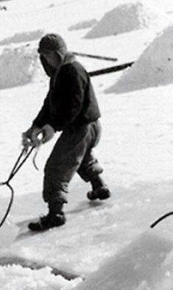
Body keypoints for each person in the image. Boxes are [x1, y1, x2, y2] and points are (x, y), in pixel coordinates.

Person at [22, 33, 110, 231]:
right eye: (43, 57)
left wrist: (54, 126)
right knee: (81, 157)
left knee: (57, 168)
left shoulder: (71, 71)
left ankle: (56, 214)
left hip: (82, 127)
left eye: (49, 55)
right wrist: (36, 125)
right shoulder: (61, 73)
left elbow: (74, 105)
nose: (46, 60)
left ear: (59, 53)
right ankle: (99, 186)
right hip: (88, 127)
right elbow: (50, 104)